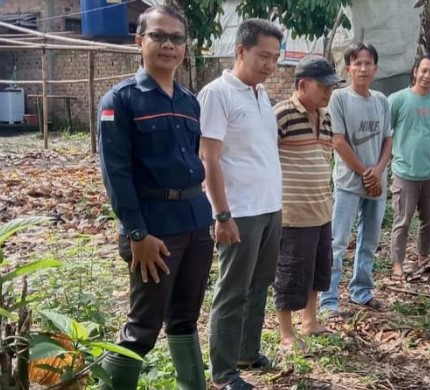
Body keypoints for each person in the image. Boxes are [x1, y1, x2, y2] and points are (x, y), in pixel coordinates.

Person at [97, 5, 211, 389]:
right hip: (153, 232)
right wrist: (136, 234)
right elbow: (116, 174)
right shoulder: (122, 100)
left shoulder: (189, 101)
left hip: (196, 222)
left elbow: (193, 159)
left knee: (184, 320)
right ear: (139, 42)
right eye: (158, 36)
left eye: (177, 38)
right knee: (142, 327)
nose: (168, 45)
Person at [198, 19, 283, 390]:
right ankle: (224, 371)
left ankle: (248, 352)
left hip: (269, 207)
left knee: (259, 284)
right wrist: (222, 214)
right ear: (241, 51)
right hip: (239, 211)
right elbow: (209, 159)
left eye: (275, 58)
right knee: (232, 291)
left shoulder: (261, 94)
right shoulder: (218, 93)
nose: (269, 64)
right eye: (263, 56)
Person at [272, 56, 341, 355]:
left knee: (317, 269)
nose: (328, 92)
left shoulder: (325, 116)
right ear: (302, 85)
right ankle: (286, 333)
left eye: (330, 86)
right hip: (293, 212)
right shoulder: (281, 114)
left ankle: (309, 320)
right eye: (323, 86)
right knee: (290, 273)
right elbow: (266, 159)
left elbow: (324, 159)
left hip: (322, 209)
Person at [320, 42, 392, 318]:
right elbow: (338, 141)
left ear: (376, 68)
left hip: (378, 183)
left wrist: (379, 170)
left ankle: (361, 291)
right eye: (357, 63)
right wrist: (366, 173)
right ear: (348, 68)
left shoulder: (381, 100)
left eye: (368, 63)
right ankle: (328, 300)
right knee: (337, 241)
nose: (363, 68)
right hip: (349, 183)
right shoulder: (339, 99)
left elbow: (388, 139)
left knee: (370, 240)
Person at [388, 54, 430, 280]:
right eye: (423, 70)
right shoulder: (397, 100)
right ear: (415, 71)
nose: (426, 75)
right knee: (402, 221)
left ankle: (424, 257)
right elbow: (387, 134)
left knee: (429, 220)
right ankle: (397, 263)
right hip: (405, 173)